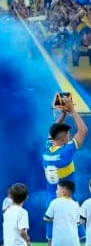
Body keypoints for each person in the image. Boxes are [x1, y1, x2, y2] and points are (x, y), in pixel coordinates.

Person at [43, 96, 87, 245]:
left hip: (52, 197)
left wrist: (63, 114)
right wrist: (72, 110)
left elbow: (53, 132)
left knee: (50, 235)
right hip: (69, 197)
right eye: (68, 135)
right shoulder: (65, 152)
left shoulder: (47, 150)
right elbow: (83, 130)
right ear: (64, 139)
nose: (70, 137)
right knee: (80, 232)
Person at [45, 179, 80, 246]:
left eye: (58, 189)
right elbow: (77, 222)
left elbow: (46, 218)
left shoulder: (54, 202)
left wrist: (55, 220)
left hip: (58, 241)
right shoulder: (76, 204)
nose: (56, 191)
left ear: (64, 190)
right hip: (73, 241)